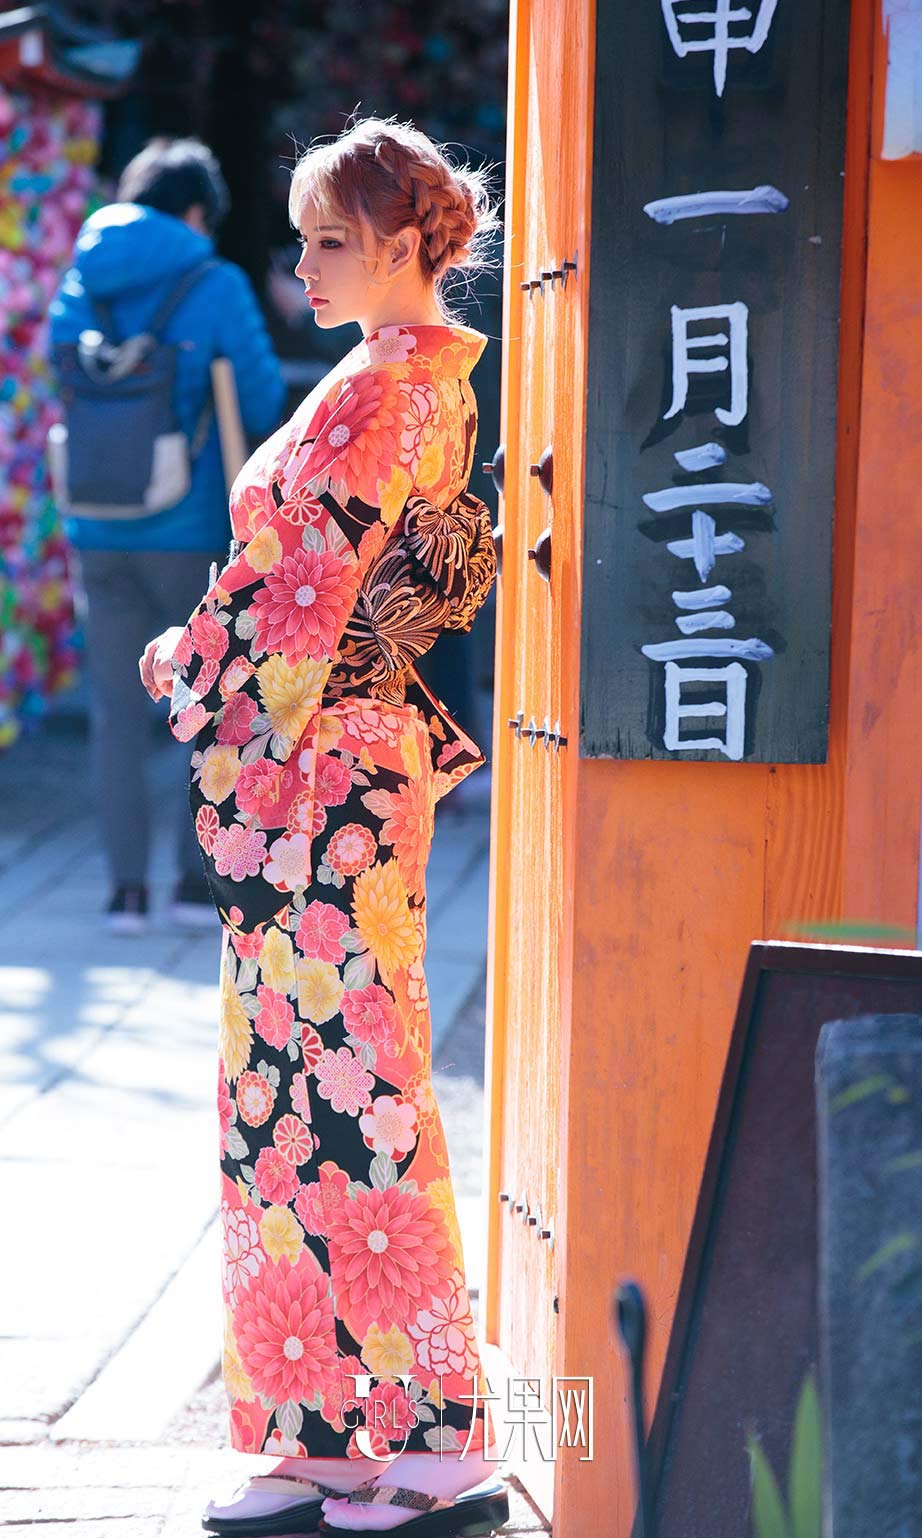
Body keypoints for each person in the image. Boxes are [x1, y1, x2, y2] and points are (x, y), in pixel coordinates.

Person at [138, 118, 506, 1537]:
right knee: (277, 1094)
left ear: (410, 241)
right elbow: (290, 573)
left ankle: (432, 1438)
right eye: (302, 241)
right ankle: (319, 1424)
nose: (303, 267)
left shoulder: (402, 390)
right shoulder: (373, 378)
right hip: (305, 762)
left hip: (331, 769)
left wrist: (191, 663)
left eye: (331, 241)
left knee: (353, 1082)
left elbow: (299, 587)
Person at [50, 137, 286, 933]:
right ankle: (195, 884)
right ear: (194, 213)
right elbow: (256, 400)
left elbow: (63, 370)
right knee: (207, 702)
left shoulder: (81, 278)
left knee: (116, 712)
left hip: (97, 518)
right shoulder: (213, 282)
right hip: (189, 529)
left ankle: (125, 893)